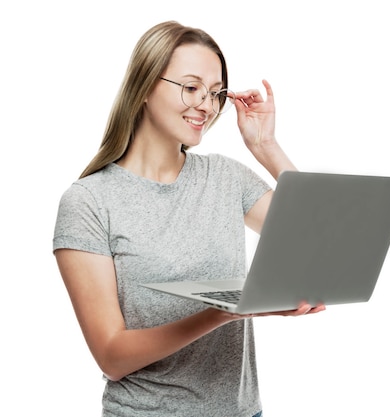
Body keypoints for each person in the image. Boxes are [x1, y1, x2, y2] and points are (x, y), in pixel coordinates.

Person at [52, 20, 325, 417]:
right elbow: (111, 356)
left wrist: (265, 145)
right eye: (191, 87)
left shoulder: (226, 178)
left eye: (215, 93)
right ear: (144, 86)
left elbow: (319, 238)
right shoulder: (90, 202)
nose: (207, 105)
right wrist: (225, 311)